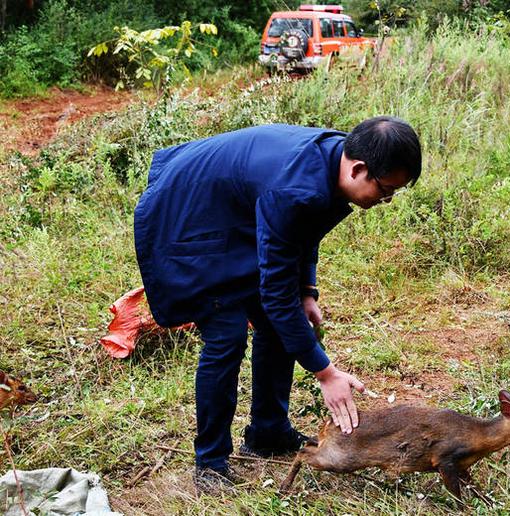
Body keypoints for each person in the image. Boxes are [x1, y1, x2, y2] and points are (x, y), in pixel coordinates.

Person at [133, 116, 422, 491]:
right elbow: (276, 293)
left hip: (236, 216)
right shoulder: (294, 188)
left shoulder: (335, 158)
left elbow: (305, 227)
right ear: (359, 168)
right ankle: (210, 462)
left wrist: (307, 290)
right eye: (385, 190)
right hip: (188, 222)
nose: (386, 200)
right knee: (227, 336)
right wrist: (325, 373)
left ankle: (268, 432)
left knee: (279, 325)